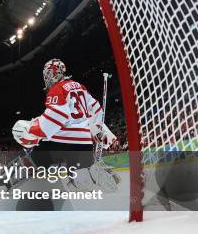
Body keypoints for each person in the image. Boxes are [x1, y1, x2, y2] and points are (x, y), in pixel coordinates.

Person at [11, 58, 118, 192]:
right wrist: (98, 131)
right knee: (80, 179)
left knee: (35, 158)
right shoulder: (80, 86)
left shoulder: (57, 89)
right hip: (84, 142)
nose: (47, 77)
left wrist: (34, 130)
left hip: (63, 139)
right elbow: (96, 109)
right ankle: (96, 176)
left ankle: (7, 181)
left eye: (48, 74)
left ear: (57, 73)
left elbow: (57, 117)